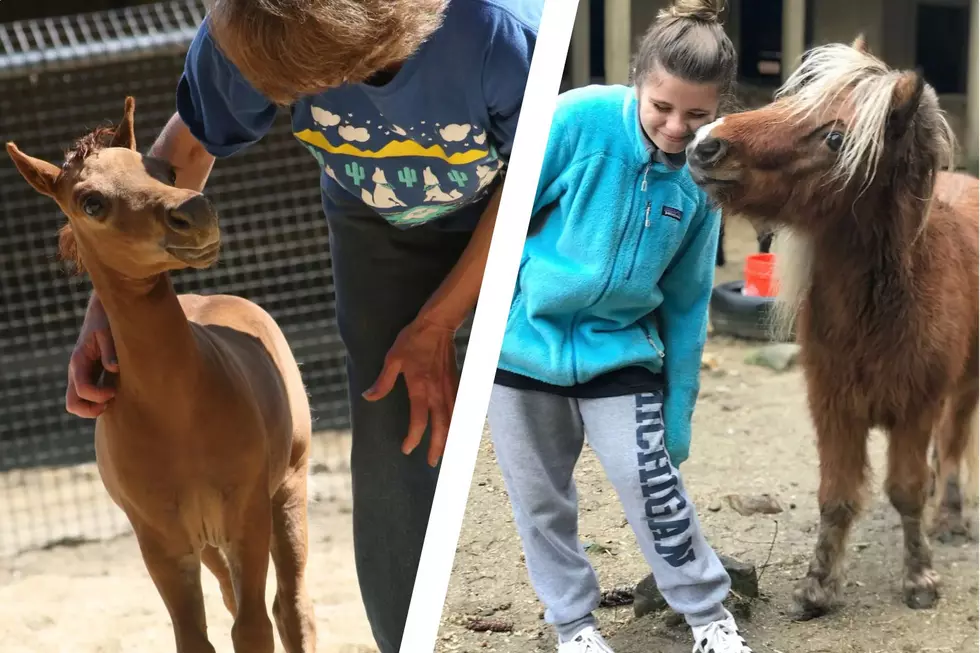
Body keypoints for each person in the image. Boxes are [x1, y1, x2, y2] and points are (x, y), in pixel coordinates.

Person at [63, 1, 541, 651]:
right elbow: (188, 146)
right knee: (393, 421)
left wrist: (438, 323)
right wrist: (105, 311)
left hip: (517, 199)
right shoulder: (248, 26)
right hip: (374, 210)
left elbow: (532, 184)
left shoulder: (495, 35)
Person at [486, 1, 753, 652]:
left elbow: (688, 304)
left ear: (717, 109)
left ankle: (710, 620)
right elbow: (504, 219)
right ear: (639, 79)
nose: (674, 127)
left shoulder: (700, 182)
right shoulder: (575, 121)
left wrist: (680, 411)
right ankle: (574, 627)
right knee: (540, 502)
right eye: (662, 106)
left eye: (696, 115)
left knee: (652, 487)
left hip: (621, 353)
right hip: (522, 353)